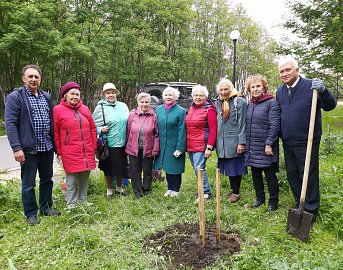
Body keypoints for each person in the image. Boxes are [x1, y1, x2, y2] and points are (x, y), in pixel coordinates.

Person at [276, 56, 336, 221]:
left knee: (308, 175)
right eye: (282, 71)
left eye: (288, 69)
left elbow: (330, 106)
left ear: (297, 70)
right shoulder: (280, 91)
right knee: (293, 174)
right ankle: (299, 203)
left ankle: (311, 209)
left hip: (307, 141)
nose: (285, 73)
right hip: (288, 141)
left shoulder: (311, 86)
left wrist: (324, 90)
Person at [5, 64, 60, 225]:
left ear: (40, 79)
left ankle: (46, 207)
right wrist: (17, 148)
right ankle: (31, 213)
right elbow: (10, 124)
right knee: (28, 183)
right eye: (30, 76)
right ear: (24, 79)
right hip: (28, 149)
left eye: (36, 77)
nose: (34, 79)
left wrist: (56, 146)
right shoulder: (16, 97)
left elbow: (51, 122)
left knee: (47, 179)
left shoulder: (46, 97)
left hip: (47, 147)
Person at [53, 82, 97, 209]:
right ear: (65, 95)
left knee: (84, 176)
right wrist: (59, 152)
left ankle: (83, 200)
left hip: (86, 150)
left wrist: (93, 147)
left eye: (77, 94)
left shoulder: (85, 109)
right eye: (72, 94)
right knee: (71, 179)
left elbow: (93, 128)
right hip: (69, 151)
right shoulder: (57, 110)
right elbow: (55, 133)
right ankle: (71, 204)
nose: (75, 97)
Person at [245, 75, 280, 211]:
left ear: (264, 87)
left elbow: (275, 125)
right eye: (252, 87)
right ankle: (260, 198)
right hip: (252, 146)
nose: (255, 89)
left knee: (270, 174)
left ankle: (273, 201)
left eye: (258, 86)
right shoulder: (250, 105)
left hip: (266, 146)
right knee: (255, 174)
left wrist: (269, 143)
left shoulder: (272, 103)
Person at [92, 83, 130, 199]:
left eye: (113, 92)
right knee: (108, 168)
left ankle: (119, 188)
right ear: (104, 95)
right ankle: (109, 190)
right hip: (109, 143)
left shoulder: (123, 106)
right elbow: (92, 125)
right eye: (108, 93)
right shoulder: (100, 107)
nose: (111, 95)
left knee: (121, 166)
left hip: (123, 142)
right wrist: (100, 129)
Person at [215, 78, 247, 203]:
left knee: (235, 166)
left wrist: (241, 142)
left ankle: (236, 192)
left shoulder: (240, 102)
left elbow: (242, 123)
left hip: (234, 140)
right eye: (221, 89)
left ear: (231, 89)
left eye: (226, 89)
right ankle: (232, 188)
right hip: (222, 141)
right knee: (228, 166)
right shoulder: (218, 102)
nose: (223, 92)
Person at [185, 85, 217, 204]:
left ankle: (206, 192)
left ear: (206, 97)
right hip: (191, 144)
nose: (198, 97)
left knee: (199, 168)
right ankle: (201, 189)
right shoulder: (192, 108)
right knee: (196, 168)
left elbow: (213, 130)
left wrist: (209, 147)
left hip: (202, 145)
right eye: (196, 95)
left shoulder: (210, 109)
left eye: (201, 95)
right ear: (192, 96)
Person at [153, 87, 186, 197]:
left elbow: (182, 130)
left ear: (175, 97)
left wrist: (180, 147)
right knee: (167, 166)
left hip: (175, 144)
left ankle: (176, 189)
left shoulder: (181, 111)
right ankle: (169, 188)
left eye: (170, 95)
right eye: (166, 95)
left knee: (175, 167)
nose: (168, 97)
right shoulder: (158, 109)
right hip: (162, 144)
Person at [125, 93, 159, 198]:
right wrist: (127, 146)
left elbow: (157, 134)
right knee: (135, 170)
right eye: (142, 102)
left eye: (146, 102)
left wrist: (155, 149)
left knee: (147, 170)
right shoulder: (132, 115)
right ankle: (138, 192)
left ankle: (147, 190)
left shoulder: (154, 116)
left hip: (148, 148)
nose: (144, 104)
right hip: (133, 148)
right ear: (138, 103)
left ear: (149, 103)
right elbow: (128, 131)